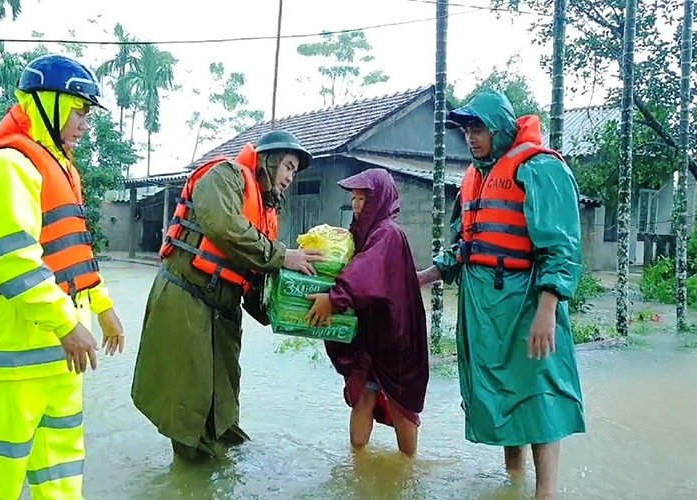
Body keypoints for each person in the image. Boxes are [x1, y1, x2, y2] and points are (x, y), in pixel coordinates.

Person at [0, 54, 126, 500]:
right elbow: (15, 263)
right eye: (78, 109)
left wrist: (103, 307)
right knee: (1, 471)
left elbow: (72, 256)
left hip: (63, 357)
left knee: (61, 471)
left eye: (87, 112)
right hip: (16, 360)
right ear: (47, 102)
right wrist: (66, 324)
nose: (84, 123)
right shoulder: (6, 166)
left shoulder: (62, 170)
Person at [416, 89, 585, 498]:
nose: (471, 137)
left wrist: (548, 308)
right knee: (505, 394)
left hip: (526, 301)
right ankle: (513, 481)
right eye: (467, 130)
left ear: (501, 128)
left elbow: (561, 247)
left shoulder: (541, 169)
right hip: (484, 307)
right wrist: (423, 276)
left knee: (538, 391)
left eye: (479, 128)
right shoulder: (474, 178)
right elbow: (464, 246)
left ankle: (545, 492)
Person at [131, 130, 325, 462]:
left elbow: (253, 278)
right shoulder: (226, 176)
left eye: (295, 171)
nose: (291, 177)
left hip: (223, 309)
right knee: (187, 396)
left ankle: (217, 463)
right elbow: (222, 225)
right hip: (186, 298)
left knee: (223, 396)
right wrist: (281, 256)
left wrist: (288, 313)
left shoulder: (266, 213)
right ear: (270, 160)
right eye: (289, 167)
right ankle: (190, 475)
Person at [304, 168, 429, 456]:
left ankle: (408, 469)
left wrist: (334, 298)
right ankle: (357, 463)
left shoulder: (387, 233)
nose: (357, 205)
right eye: (355, 199)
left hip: (396, 339)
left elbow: (364, 272)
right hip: (371, 336)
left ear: (380, 200)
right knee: (363, 394)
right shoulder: (361, 233)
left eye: (363, 198)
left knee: (401, 406)